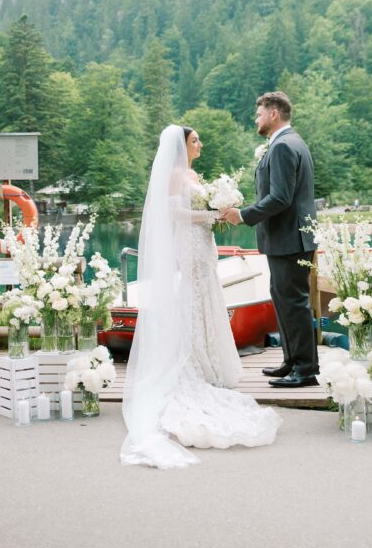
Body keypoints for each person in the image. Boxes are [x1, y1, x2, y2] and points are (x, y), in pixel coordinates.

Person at [120, 124, 280, 469]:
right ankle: (192, 358)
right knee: (191, 297)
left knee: (207, 297)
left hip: (204, 243)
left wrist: (217, 212)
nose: (201, 144)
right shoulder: (176, 174)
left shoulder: (191, 172)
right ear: (182, 145)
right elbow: (172, 214)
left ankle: (210, 358)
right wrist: (210, 214)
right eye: (195, 140)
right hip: (188, 244)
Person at [221, 91, 319, 388]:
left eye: (259, 113)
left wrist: (244, 215)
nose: (256, 119)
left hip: (290, 239)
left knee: (294, 303)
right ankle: (292, 360)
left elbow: (280, 197)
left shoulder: (283, 147)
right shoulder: (289, 142)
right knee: (284, 300)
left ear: (274, 113)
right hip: (287, 238)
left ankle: (305, 369)